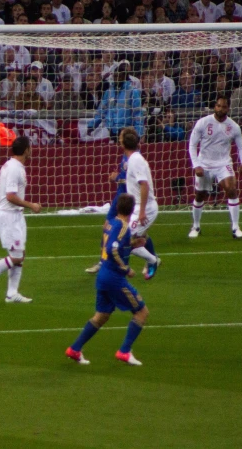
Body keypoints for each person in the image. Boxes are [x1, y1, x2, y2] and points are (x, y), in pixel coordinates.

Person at [65, 193, 148, 366]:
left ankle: (75, 349)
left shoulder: (110, 223)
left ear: (117, 207)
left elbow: (113, 245)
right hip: (114, 278)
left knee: (101, 316)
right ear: (132, 210)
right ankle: (124, 351)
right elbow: (112, 249)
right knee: (142, 312)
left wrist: (133, 244)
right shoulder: (123, 226)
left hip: (103, 276)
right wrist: (126, 269)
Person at [0, 136, 41, 303]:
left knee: (19, 254)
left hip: (16, 215)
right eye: (29, 147)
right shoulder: (14, 169)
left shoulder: (15, 166)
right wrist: (30, 205)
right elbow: (10, 196)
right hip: (9, 216)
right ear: (25, 150)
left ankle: (11, 293)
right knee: (16, 257)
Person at [187, 97, 242, 239]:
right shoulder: (203, 122)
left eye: (224, 107)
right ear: (215, 106)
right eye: (218, 106)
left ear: (228, 108)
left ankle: (235, 227)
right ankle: (196, 226)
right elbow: (192, 145)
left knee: (231, 189)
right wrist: (196, 165)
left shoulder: (233, 126)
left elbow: (241, 147)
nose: (220, 109)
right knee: (200, 195)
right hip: (204, 164)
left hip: (223, 163)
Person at [86, 128, 132, 274]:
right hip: (119, 196)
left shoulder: (133, 158)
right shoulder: (124, 156)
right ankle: (102, 261)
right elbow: (125, 175)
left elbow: (132, 180)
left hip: (127, 199)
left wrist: (116, 178)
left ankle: (150, 257)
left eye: (120, 137)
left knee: (129, 233)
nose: (118, 139)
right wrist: (118, 176)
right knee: (107, 226)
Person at [123, 128, 161, 278]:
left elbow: (144, 184)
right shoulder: (134, 159)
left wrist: (142, 211)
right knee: (141, 234)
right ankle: (152, 259)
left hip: (145, 207)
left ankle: (153, 260)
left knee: (126, 240)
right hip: (138, 206)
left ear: (122, 144)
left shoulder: (135, 160)